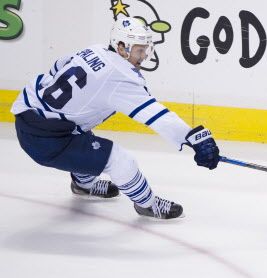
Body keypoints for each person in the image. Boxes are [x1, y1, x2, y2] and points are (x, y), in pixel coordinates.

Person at [10, 17, 220, 219]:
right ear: (121, 47)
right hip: (47, 140)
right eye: (139, 49)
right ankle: (148, 204)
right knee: (120, 161)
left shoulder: (95, 50)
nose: (145, 55)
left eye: (145, 48)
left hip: (30, 114)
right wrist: (196, 138)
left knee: (84, 139)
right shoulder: (120, 77)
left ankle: (83, 185)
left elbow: (57, 67)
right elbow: (156, 115)